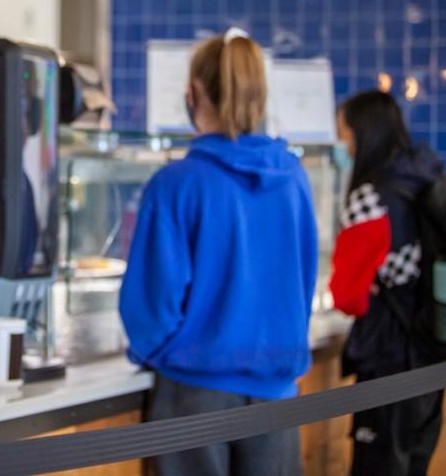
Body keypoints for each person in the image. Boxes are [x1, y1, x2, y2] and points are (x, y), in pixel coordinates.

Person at [119, 29, 318, 476]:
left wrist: (165, 351)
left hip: (194, 392)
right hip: (277, 392)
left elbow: (152, 305)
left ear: (194, 93)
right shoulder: (293, 178)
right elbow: (302, 280)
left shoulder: (177, 184)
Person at [330, 90, 445, 476]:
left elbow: (347, 295)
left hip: (389, 356)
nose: (341, 145)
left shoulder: (371, 197)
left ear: (364, 134)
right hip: (429, 350)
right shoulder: (423, 177)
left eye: (343, 134)